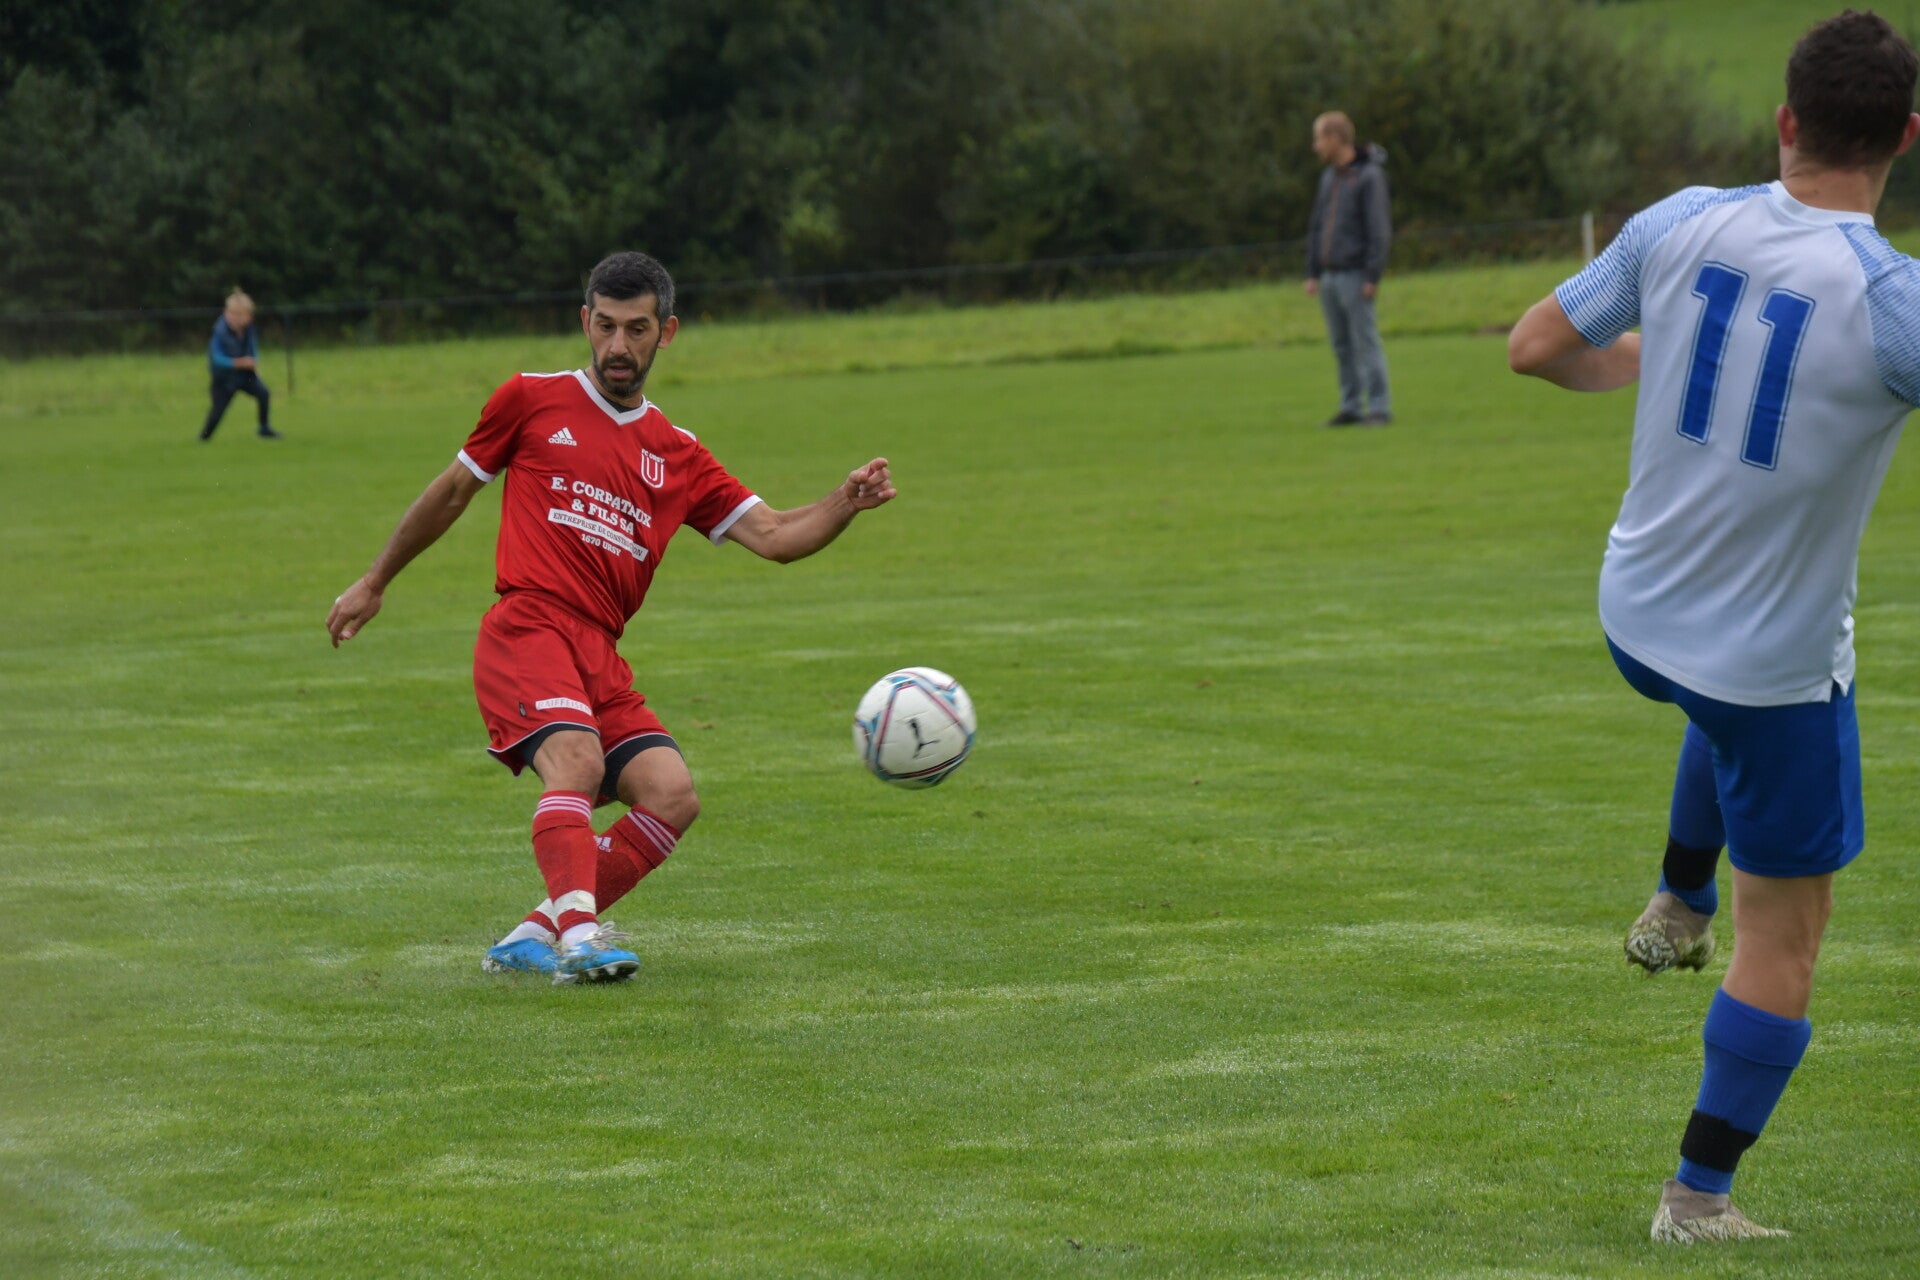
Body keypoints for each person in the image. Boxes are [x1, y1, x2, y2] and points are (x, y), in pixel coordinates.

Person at [1508, 9, 1920, 1244]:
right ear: (1906, 138)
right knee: (1788, 931)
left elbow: (1536, 347)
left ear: (1784, 120)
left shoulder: (1680, 219)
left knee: (1721, 699)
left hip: (1635, 611)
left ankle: (1677, 901)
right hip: (1766, 662)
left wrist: (1666, 358)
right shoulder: (1893, 299)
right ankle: (1697, 1196)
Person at [324, 251, 897, 983]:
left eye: (636, 329)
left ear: (667, 333)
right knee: (578, 762)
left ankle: (532, 936)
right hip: (528, 627)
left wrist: (844, 502)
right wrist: (375, 581)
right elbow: (451, 493)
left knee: (671, 794)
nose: (617, 345)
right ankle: (581, 939)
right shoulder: (530, 399)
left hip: (598, 651)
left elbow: (777, 535)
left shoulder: (678, 454)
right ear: (584, 322)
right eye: (605, 326)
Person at [1304, 111, 1392, 427]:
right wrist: (1312, 271)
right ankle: (1351, 406)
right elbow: (1317, 226)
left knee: (1365, 342)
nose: (1316, 146)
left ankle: (1379, 408)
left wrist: (1372, 274)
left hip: (1356, 275)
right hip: (1329, 276)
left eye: (1319, 138)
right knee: (1341, 346)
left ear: (1335, 138)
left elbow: (1379, 229)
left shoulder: (1368, 177)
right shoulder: (1329, 178)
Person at [200, 289, 280, 440]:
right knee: (217, 412)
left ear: (249, 317)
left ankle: (264, 429)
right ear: (225, 312)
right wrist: (239, 362)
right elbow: (216, 359)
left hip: (244, 375)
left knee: (263, 393)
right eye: (232, 313)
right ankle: (204, 438)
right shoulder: (219, 331)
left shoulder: (249, 330)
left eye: (240, 314)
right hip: (224, 379)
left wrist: (253, 360)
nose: (235, 318)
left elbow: (253, 349)